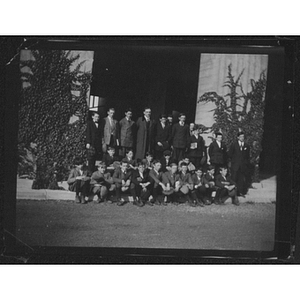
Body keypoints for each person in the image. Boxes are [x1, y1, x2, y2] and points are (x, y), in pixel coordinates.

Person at [227, 131, 251, 196]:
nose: (242, 138)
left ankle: (240, 192)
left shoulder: (246, 145)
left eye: (243, 136)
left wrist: (246, 164)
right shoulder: (234, 145)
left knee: (241, 179)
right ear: (238, 137)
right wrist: (233, 161)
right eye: (241, 137)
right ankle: (233, 193)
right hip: (235, 165)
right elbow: (230, 154)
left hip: (242, 166)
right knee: (234, 178)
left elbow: (247, 157)